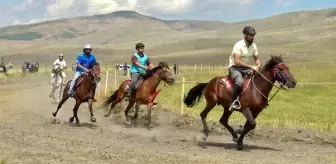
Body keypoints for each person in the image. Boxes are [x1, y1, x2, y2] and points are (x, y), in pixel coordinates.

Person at [228, 26, 262, 110]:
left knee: (259, 79)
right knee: (239, 82)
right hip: (234, 68)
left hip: (245, 68)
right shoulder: (238, 45)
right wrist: (251, 66)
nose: (253, 37)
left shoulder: (254, 46)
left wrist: (258, 66)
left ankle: (260, 100)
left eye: (253, 35)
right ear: (245, 35)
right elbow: (237, 61)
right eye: (251, 35)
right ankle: (234, 102)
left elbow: (256, 59)